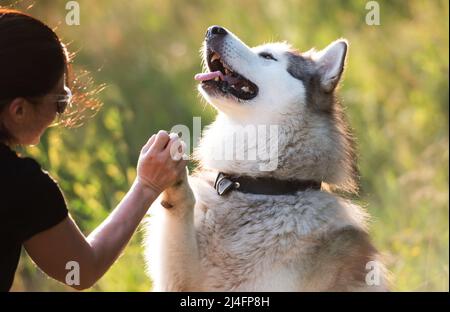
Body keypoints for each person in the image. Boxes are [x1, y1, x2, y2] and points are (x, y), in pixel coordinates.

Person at [0, 9, 187, 291]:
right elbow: (82, 268)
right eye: (60, 102)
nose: (59, 116)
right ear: (19, 110)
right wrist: (147, 186)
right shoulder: (19, 185)